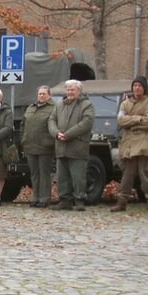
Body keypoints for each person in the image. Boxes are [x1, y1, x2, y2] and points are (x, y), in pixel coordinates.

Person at [110, 77, 148, 214]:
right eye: (135, 85)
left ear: (144, 88)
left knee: (146, 176)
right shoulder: (125, 104)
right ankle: (122, 201)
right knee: (126, 176)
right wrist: (138, 118)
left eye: (140, 86)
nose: (137, 88)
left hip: (144, 144)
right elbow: (120, 120)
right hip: (128, 144)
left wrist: (130, 121)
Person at [52, 79, 93, 211]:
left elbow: (86, 122)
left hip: (77, 146)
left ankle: (79, 200)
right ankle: (65, 200)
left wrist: (68, 134)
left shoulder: (86, 105)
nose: (70, 92)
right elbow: (51, 120)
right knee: (62, 176)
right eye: (68, 89)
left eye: (72, 90)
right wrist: (57, 133)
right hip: (61, 146)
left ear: (79, 91)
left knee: (78, 176)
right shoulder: (59, 105)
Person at [21, 85, 57, 208]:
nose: (41, 96)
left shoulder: (54, 108)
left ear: (49, 95)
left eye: (43, 94)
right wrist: (24, 139)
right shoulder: (31, 108)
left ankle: (44, 198)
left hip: (45, 146)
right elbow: (23, 124)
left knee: (44, 173)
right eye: (39, 94)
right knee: (34, 173)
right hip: (30, 145)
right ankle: (35, 197)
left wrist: (51, 140)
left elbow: (55, 125)